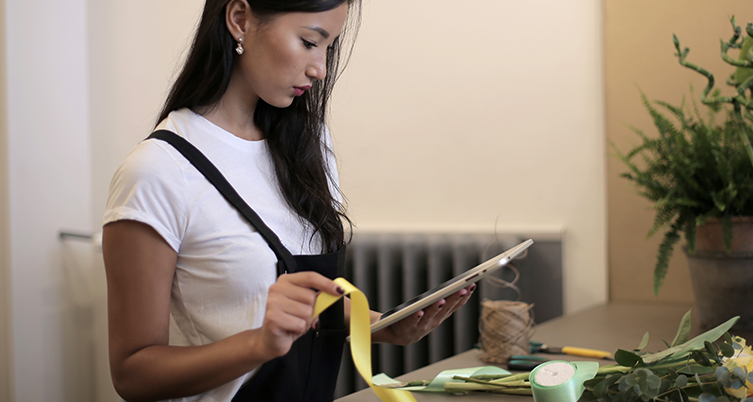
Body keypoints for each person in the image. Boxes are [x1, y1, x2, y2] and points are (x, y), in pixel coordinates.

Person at [101, 1, 476, 401]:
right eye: (309, 41)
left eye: (328, 48)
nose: (320, 69)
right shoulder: (157, 171)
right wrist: (258, 344)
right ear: (240, 19)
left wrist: (381, 325)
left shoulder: (306, 148)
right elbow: (132, 373)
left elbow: (307, 302)